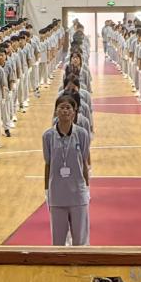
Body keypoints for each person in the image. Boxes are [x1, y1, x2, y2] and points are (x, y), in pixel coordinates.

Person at [43, 92, 91, 246]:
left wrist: (87, 187)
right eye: (61, 107)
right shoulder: (47, 136)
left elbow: (84, 162)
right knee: (58, 241)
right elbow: (48, 164)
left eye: (68, 108)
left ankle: (81, 262)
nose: (65, 110)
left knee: (80, 240)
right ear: (56, 111)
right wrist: (46, 190)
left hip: (77, 193)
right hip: (57, 193)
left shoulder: (82, 134)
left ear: (74, 112)